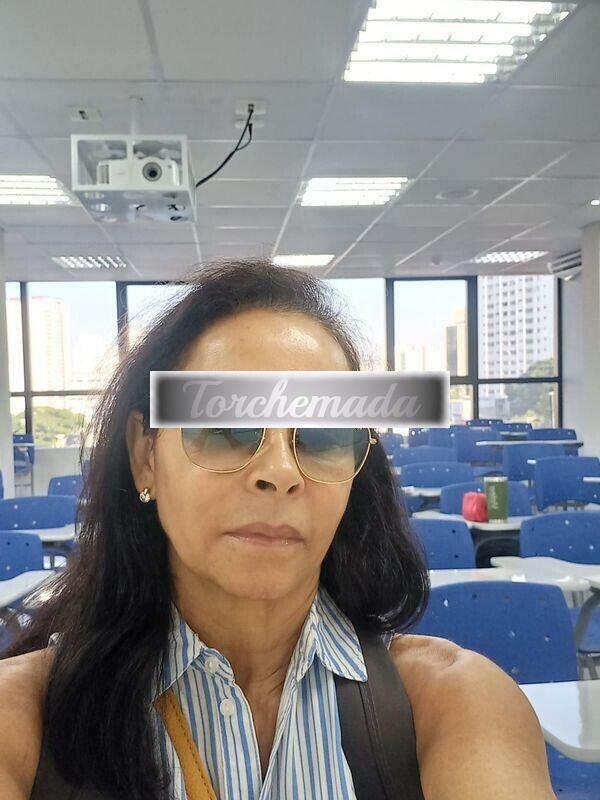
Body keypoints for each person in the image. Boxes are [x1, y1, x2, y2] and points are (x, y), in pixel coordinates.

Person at [0, 260, 555, 800]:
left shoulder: (452, 704)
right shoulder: (23, 718)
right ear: (146, 456)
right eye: (225, 428)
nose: (281, 472)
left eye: (323, 435)